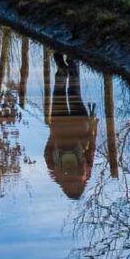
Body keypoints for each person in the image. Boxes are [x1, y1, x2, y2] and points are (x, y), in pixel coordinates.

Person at [44, 53, 98, 200]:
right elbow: (47, 154)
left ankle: (73, 62)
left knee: (74, 92)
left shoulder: (85, 174)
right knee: (59, 93)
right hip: (59, 128)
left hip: (79, 126)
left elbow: (91, 150)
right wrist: (52, 135)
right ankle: (62, 70)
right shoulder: (57, 176)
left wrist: (93, 129)